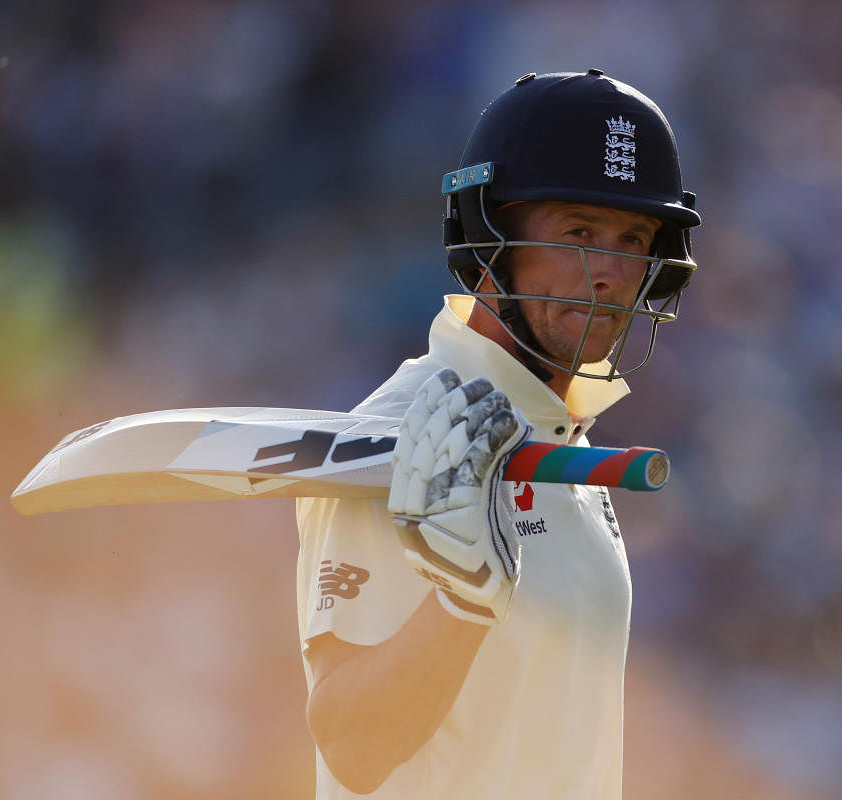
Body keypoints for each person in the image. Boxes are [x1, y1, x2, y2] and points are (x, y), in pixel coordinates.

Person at [295, 69, 701, 799]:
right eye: (578, 232)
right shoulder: (400, 437)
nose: (609, 273)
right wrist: (459, 607)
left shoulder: (564, 437)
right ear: (489, 239)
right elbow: (350, 746)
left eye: (633, 239)